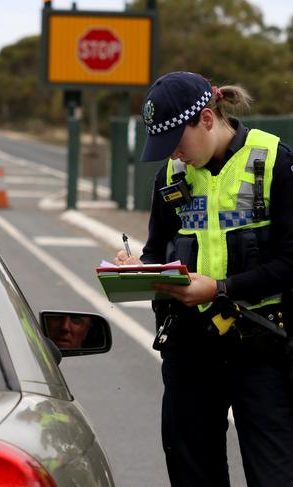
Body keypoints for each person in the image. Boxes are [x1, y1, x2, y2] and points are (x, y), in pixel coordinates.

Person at [114, 71, 293, 487]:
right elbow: (157, 249)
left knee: (275, 475)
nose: (173, 153)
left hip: (262, 346)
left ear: (208, 119)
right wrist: (141, 269)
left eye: (178, 140)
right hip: (190, 348)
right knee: (192, 473)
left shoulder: (276, 163)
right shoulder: (171, 178)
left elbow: (290, 261)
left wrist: (220, 289)